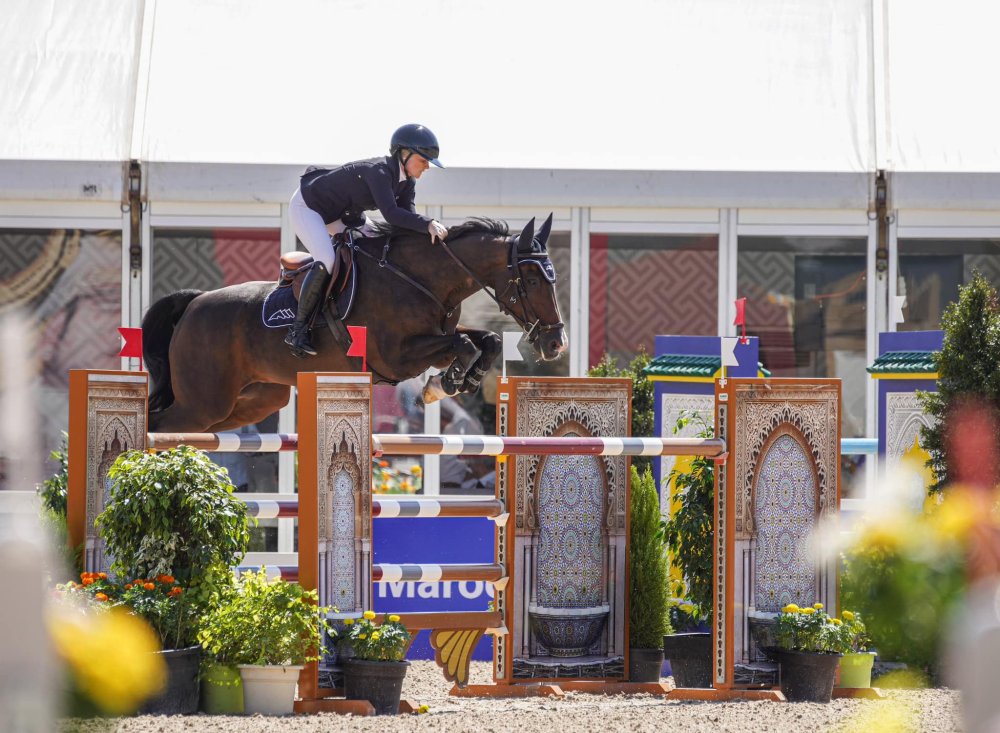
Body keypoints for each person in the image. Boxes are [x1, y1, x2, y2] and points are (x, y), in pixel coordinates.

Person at [285, 123, 450, 357]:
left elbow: (405, 221)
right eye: (423, 160)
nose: (426, 167)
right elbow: (392, 214)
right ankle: (297, 330)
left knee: (379, 246)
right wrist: (428, 224)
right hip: (309, 206)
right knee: (327, 259)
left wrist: (427, 235)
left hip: (342, 214)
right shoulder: (379, 172)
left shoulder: (407, 182)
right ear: (405, 154)